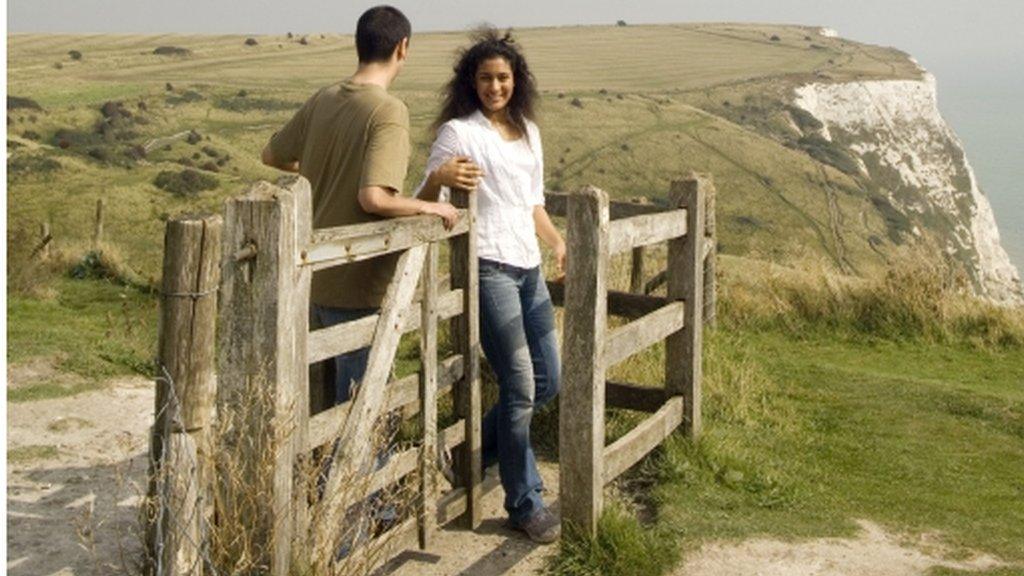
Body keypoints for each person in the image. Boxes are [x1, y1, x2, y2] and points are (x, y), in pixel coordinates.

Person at [261, 5, 458, 405]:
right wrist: (429, 207)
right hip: (359, 285)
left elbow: (271, 155)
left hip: (314, 278)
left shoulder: (325, 97)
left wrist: (318, 167)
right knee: (363, 412)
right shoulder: (388, 109)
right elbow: (374, 197)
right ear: (402, 47)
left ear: (358, 44)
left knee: (323, 412)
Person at [416, 28, 564, 544]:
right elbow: (422, 192)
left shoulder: (528, 133)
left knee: (550, 378)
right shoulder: (460, 132)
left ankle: (468, 454)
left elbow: (533, 202)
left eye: (503, 77)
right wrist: (439, 178)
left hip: (528, 266)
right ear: (471, 83)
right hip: (488, 266)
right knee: (520, 381)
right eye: (485, 78)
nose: (495, 86)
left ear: (516, 81)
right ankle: (525, 501)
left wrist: (558, 243)